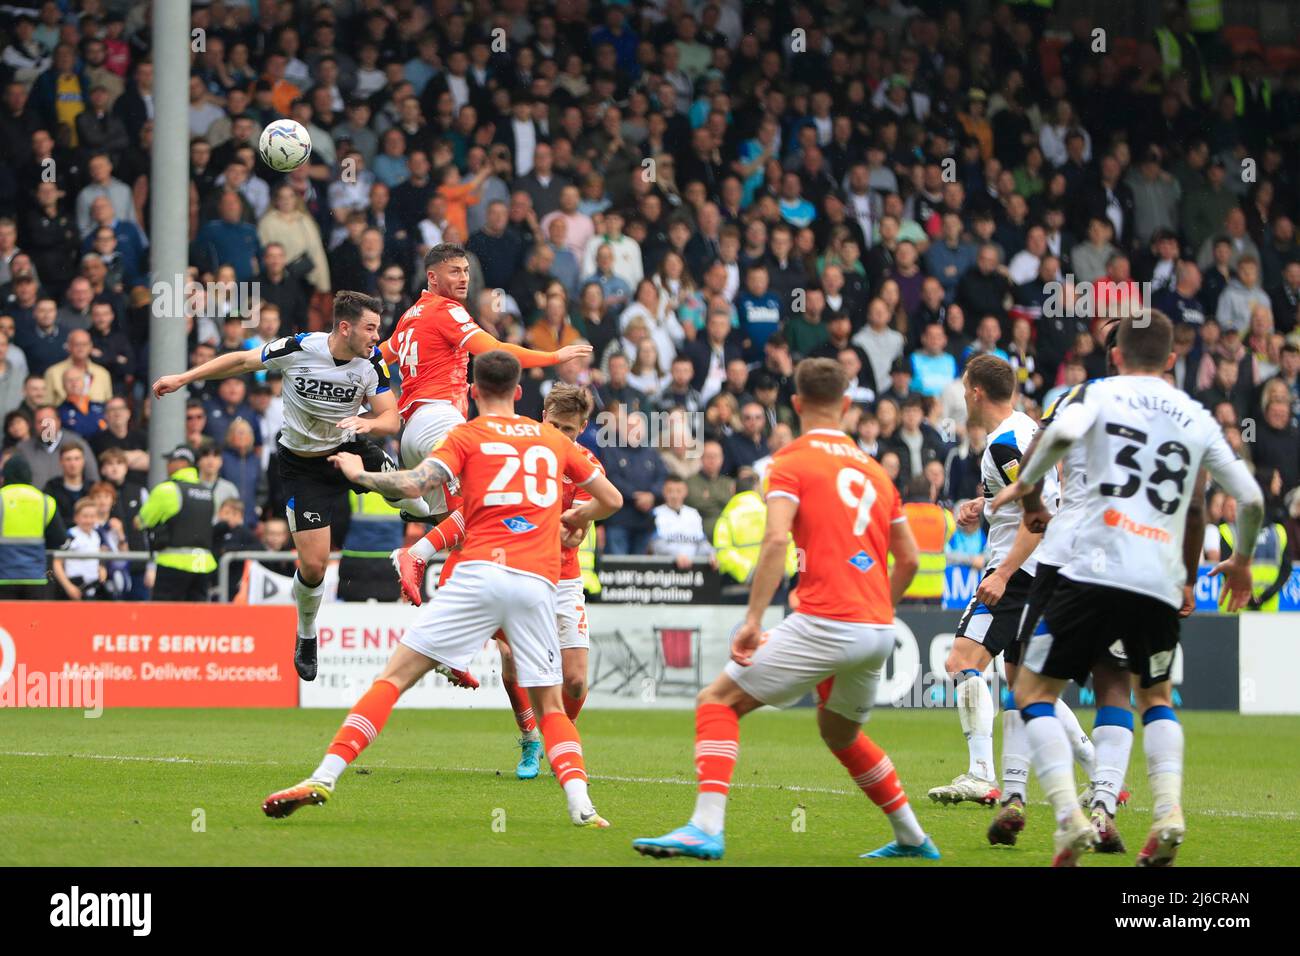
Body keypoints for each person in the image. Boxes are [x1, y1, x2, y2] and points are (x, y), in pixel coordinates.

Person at [261, 350, 623, 830]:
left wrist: (358, 474)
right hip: (537, 581)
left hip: (478, 574)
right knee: (552, 704)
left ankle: (324, 776)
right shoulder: (550, 442)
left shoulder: (466, 434)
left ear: (472, 392)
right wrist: (577, 517)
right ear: (519, 394)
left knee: (392, 680)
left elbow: (414, 485)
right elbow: (612, 499)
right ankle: (582, 806)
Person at [633, 358, 939, 862]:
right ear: (846, 405)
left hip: (826, 621)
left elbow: (776, 539)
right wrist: (879, 606)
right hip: (878, 628)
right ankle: (912, 836)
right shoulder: (874, 471)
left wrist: (753, 621)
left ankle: (705, 827)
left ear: (795, 406)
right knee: (839, 732)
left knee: (717, 701)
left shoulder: (790, 461)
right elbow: (909, 557)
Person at [990, 309, 1263, 866]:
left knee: (1032, 691)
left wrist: (1030, 492)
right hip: (1157, 580)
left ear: (1114, 354)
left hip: (1084, 569)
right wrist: (1239, 559)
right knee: (1152, 697)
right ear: (1171, 359)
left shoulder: (1093, 394)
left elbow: (1058, 433)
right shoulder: (1196, 415)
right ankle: (1166, 812)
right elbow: (1250, 499)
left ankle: (1068, 816)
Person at [152, 291, 414, 680]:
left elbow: (390, 419)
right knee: (313, 564)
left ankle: (444, 538)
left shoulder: (371, 362)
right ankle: (306, 635)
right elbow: (241, 360)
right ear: (345, 327)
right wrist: (183, 378)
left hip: (350, 445)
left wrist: (367, 425)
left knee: (411, 492)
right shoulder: (298, 348)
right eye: (371, 328)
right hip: (303, 465)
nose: (378, 337)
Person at [382, 243, 590, 596]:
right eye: (454, 271)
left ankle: (405, 498)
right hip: (441, 425)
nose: (464, 278)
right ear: (432, 277)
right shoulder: (447, 310)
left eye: (465, 270)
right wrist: (553, 356)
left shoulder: (410, 316)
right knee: (483, 505)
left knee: (455, 531)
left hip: (413, 432)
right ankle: (413, 547)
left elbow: (378, 357)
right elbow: (494, 349)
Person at [927, 355, 1088, 810]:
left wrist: (1001, 573)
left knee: (961, 661)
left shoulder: (1002, 444)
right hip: (1045, 569)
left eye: (964, 390)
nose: (962, 397)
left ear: (977, 392)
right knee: (1025, 686)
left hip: (1018, 572)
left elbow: (1039, 517)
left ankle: (981, 774)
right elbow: (1035, 495)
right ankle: (1097, 769)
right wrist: (987, 504)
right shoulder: (1026, 429)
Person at [137, 446, 216, 603]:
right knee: (196, 619)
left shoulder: (168, 489)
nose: (167, 465)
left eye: (170, 461)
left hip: (173, 563)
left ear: (181, 463)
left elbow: (142, 521)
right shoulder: (208, 492)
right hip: (203, 565)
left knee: (165, 619)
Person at [0, 454, 66, 599]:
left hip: (3, 577)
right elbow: (59, 540)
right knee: (32, 622)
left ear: (4, 476)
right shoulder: (45, 501)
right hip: (36, 577)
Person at [651, 475, 716, 568]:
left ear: (685, 492)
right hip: (664, 570)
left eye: (678, 491)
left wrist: (711, 554)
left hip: (692, 571)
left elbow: (701, 542)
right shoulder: (656, 513)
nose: (674, 495)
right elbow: (656, 545)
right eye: (670, 491)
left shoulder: (694, 514)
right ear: (664, 492)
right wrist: (676, 556)